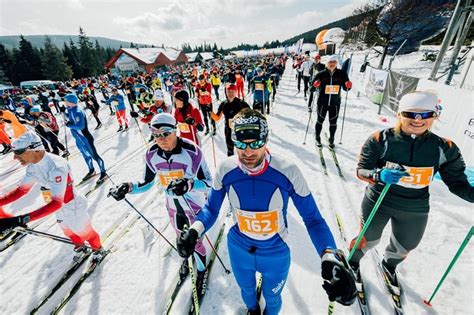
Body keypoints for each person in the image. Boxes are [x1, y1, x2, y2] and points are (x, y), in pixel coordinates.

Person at [176, 109, 356, 315]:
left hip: (275, 252)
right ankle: (252, 310)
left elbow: (313, 219)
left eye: (255, 143)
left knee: (272, 297)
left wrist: (329, 255)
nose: (248, 151)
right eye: (241, 144)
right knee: (246, 291)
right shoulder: (225, 170)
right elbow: (211, 208)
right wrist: (194, 231)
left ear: (266, 139)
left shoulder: (288, 171)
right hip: (239, 248)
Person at [349, 90, 474, 286]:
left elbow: (458, 183)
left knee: (406, 245)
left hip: (415, 207)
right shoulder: (380, 140)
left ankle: (389, 266)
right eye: (410, 114)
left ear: (434, 116)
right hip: (380, 200)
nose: (418, 120)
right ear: (399, 115)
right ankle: (353, 263)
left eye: (425, 114)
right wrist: (378, 175)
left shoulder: (444, 148)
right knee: (368, 239)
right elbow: (361, 170)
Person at [108, 113, 212, 290]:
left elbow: (209, 183)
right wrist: (128, 187)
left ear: (175, 131)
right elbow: (147, 183)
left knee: (196, 241)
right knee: (181, 238)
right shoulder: (151, 154)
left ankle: (202, 270)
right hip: (172, 207)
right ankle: (188, 260)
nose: (161, 139)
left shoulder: (192, 151)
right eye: (156, 135)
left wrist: (189, 184)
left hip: (194, 206)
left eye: (165, 133)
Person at [0, 131, 105, 262]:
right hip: (56, 207)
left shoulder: (56, 166)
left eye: (19, 152)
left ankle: (98, 250)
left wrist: (21, 220)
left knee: (85, 233)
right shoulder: (33, 167)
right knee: (68, 231)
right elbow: (21, 191)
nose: (15, 157)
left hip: (72, 206)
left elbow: (57, 203)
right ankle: (80, 247)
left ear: (35, 149)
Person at [62, 93, 107, 184]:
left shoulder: (78, 111)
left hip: (85, 138)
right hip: (78, 139)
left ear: (70, 102)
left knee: (94, 155)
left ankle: (103, 172)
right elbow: (69, 117)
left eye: (66, 101)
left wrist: (69, 125)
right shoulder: (70, 110)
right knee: (86, 156)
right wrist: (64, 113)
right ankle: (91, 170)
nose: (64, 102)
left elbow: (80, 126)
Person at [309, 55, 352, 148]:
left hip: (335, 103)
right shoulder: (320, 74)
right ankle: (317, 137)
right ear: (327, 63)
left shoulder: (342, 74)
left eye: (334, 62)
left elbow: (346, 88)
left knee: (333, 122)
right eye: (330, 62)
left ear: (336, 63)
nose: (332, 64)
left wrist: (348, 85)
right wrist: (315, 86)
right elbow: (311, 89)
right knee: (320, 121)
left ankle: (331, 138)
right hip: (322, 103)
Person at [211, 84, 250, 156]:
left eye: (233, 92)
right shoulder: (223, 104)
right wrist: (210, 112)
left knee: (242, 148)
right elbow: (217, 118)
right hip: (228, 129)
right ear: (226, 92)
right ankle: (230, 163)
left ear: (236, 92)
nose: (231, 94)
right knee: (230, 149)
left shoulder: (241, 103)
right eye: (229, 91)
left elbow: (250, 114)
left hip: (240, 129)